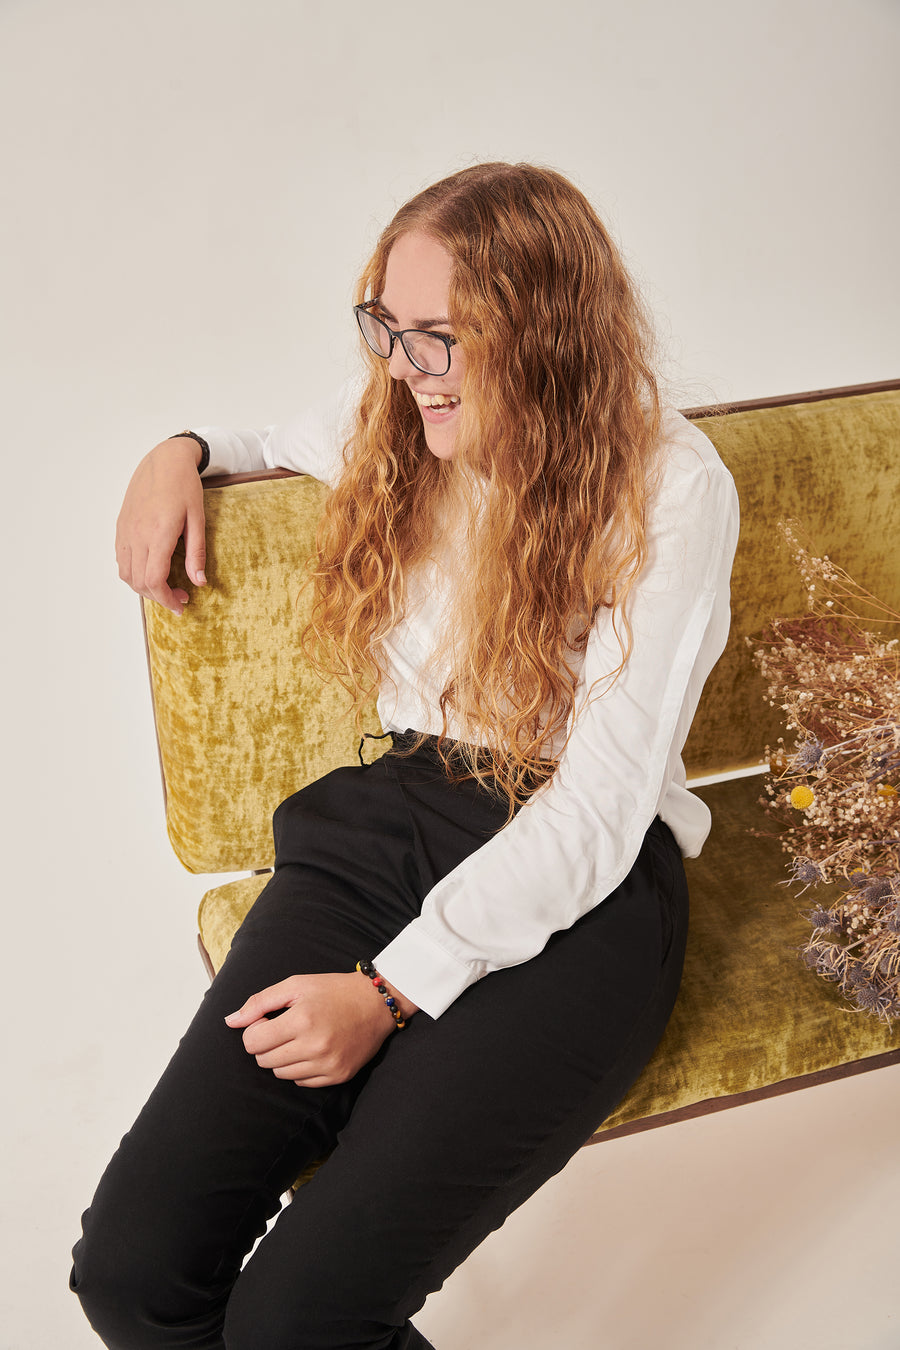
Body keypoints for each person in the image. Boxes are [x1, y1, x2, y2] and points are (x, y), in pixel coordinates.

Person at [71, 162, 739, 1350]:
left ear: (542, 332)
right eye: (387, 325)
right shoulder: (398, 413)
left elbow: (593, 813)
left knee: (298, 1321)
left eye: (437, 337)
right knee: (131, 1274)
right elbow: (268, 436)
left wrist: (388, 991)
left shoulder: (671, 486)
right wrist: (178, 447)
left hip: (584, 885)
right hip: (386, 830)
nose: (400, 366)